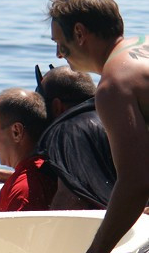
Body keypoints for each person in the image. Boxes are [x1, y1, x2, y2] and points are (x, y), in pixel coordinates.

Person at [47, 0, 149, 253]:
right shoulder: (142, 47)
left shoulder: (114, 85)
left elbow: (135, 181)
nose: (58, 56)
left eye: (59, 44)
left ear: (79, 33)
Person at [35, 65, 116, 209]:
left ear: (56, 106)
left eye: (41, 104)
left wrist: (48, 230)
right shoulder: (115, 119)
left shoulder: (68, 131)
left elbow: (70, 196)